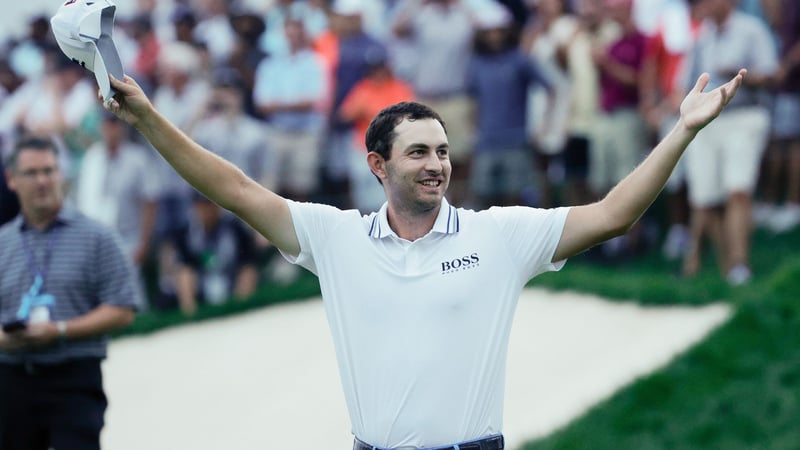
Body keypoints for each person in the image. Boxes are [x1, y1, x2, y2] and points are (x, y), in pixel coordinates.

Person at [104, 63, 746, 449]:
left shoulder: (500, 236)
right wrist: (149, 119)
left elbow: (613, 214)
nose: (437, 164)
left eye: (441, 151)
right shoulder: (335, 238)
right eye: (418, 152)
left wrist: (683, 130)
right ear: (377, 165)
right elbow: (235, 189)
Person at [0, 136, 139, 450]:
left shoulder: (98, 237)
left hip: (73, 377)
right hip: (12, 379)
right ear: (11, 180)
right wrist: (5, 338)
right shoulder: (3, 244)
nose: (43, 181)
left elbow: (123, 308)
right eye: (32, 173)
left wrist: (61, 330)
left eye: (50, 171)